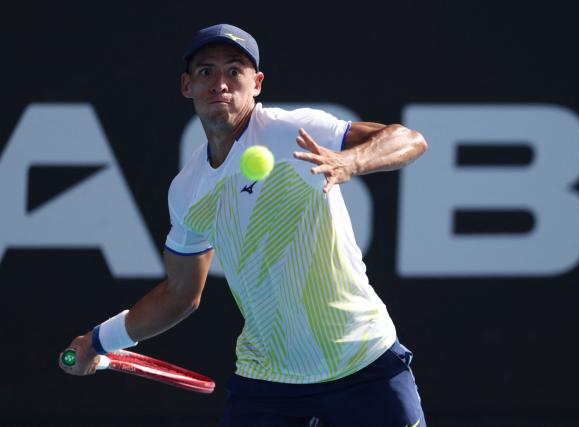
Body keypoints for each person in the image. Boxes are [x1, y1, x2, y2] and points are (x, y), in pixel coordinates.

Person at [60, 23, 428, 426]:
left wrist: (349, 161)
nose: (220, 83)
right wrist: (99, 340)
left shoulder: (291, 132)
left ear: (257, 83)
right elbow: (180, 295)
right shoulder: (188, 190)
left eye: (234, 70)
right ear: (187, 86)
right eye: (206, 72)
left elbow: (409, 140)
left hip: (364, 361)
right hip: (269, 382)